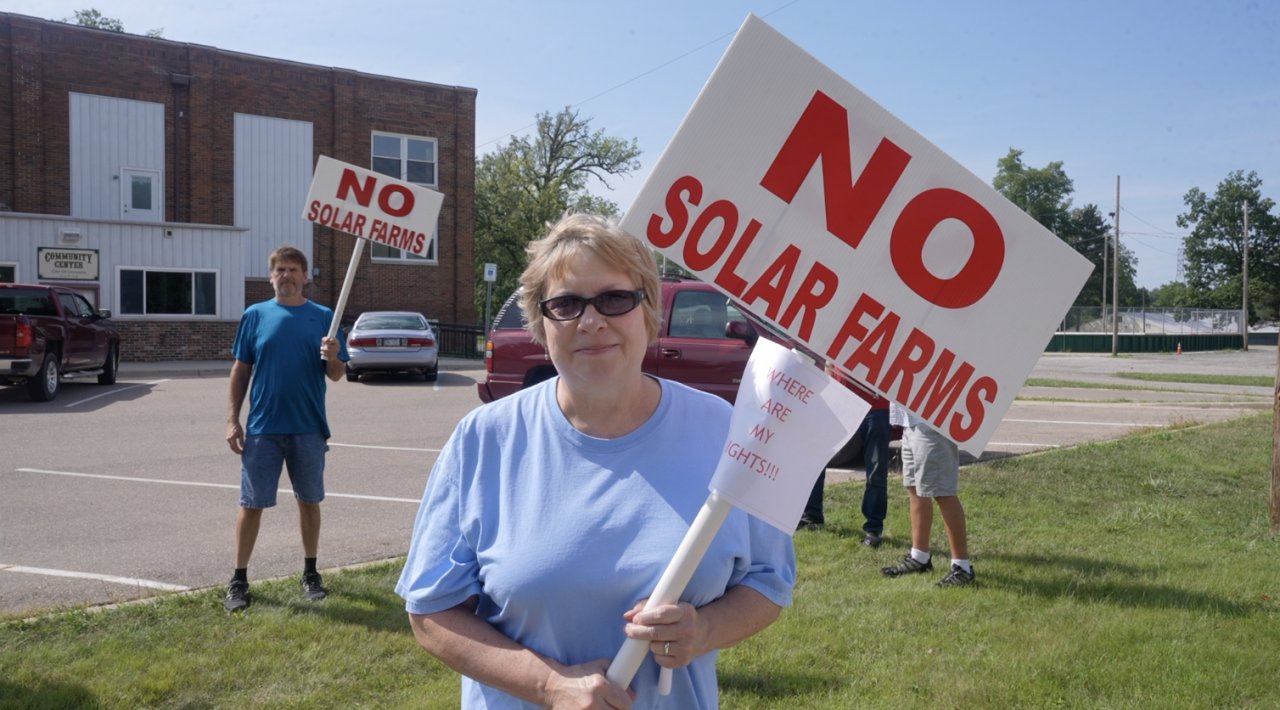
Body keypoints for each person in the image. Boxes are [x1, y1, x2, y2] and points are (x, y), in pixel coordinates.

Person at [396, 214, 796, 709]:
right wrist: (546, 685)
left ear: (647, 309)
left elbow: (769, 580)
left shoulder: (724, 431)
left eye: (613, 298)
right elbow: (431, 612)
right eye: (565, 304)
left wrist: (706, 628)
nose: (590, 321)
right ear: (541, 322)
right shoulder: (483, 439)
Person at [223, 246, 348, 612]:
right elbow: (240, 369)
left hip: (308, 427)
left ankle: (310, 572)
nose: (287, 275)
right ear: (271, 276)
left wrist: (334, 354)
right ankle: (239, 579)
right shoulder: (256, 315)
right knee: (251, 504)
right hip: (263, 427)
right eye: (280, 269)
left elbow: (337, 375)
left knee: (309, 501)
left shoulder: (325, 316)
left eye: (293, 269)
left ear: (305, 276)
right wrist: (233, 419)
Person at [798, 364, 893, 550]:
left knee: (876, 470)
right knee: (817, 459)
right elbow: (830, 362)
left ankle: (873, 529)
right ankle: (812, 515)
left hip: (876, 406)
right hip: (840, 404)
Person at [880, 402, 974, 587]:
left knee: (942, 492)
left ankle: (962, 567)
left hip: (932, 419)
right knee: (915, 489)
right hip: (910, 420)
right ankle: (919, 557)